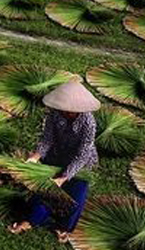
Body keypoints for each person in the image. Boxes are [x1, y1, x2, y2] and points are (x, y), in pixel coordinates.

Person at [8, 80, 100, 241]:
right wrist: (36, 157)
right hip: (56, 156)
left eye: (69, 110)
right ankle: (31, 220)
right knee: (45, 191)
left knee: (76, 196)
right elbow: (47, 139)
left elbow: (83, 154)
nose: (65, 112)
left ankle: (64, 227)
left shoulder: (88, 122)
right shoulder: (54, 114)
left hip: (81, 164)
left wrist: (64, 177)